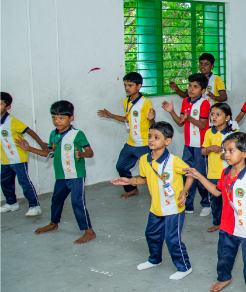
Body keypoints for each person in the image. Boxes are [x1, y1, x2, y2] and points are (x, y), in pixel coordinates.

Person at [186, 133, 246, 292]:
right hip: (227, 225)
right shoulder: (226, 172)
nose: (225, 154)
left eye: (231, 151)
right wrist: (199, 176)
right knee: (224, 257)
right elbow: (217, 191)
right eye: (225, 150)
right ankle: (224, 277)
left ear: (244, 154)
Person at [111, 121, 193, 280]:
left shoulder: (174, 161)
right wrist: (131, 181)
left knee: (172, 239)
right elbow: (145, 179)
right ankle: (154, 259)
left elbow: (190, 174)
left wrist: (184, 191)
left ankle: (184, 267)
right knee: (151, 234)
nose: (151, 140)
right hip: (156, 207)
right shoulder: (144, 159)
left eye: (156, 137)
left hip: (173, 207)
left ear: (167, 141)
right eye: (150, 136)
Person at [16, 101, 96, 244]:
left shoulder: (77, 134)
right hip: (61, 176)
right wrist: (29, 149)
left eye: (61, 118)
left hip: (76, 175)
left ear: (71, 118)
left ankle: (89, 231)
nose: (57, 121)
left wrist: (81, 154)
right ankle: (53, 223)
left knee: (77, 202)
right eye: (54, 118)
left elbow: (90, 152)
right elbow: (49, 153)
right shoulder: (53, 134)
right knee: (56, 200)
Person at [97, 72, 156, 199]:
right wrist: (111, 116)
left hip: (144, 144)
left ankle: (157, 194)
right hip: (131, 143)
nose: (127, 88)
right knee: (121, 166)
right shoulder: (126, 102)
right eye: (125, 85)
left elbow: (152, 124)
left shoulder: (145, 102)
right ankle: (132, 189)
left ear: (139, 86)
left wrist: (152, 119)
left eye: (130, 85)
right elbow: (128, 119)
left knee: (149, 171)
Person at [163, 73, 210, 214]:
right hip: (188, 145)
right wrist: (171, 111)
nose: (191, 89)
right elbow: (180, 122)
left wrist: (189, 118)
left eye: (195, 87)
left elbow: (202, 125)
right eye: (189, 86)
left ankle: (206, 204)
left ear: (203, 90)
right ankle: (188, 204)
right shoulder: (185, 102)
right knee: (187, 174)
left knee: (200, 175)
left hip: (201, 146)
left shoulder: (204, 103)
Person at [1, 92, 47, 216]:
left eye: (0, 104)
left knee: (24, 182)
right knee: (5, 182)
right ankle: (11, 203)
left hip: (18, 158)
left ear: (8, 107)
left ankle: (35, 206)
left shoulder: (12, 121)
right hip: (4, 159)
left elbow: (29, 131)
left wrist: (41, 143)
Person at [202, 103, 238, 231]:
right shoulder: (208, 133)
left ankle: (234, 221)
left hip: (230, 173)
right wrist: (209, 148)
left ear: (227, 117)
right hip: (213, 173)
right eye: (212, 114)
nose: (214, 117)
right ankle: (217, 222)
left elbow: (239, 152)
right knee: (215, 200)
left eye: (218, 114)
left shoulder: (233, 133)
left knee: (232, 199)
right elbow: (203, 151)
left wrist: (228, 155)